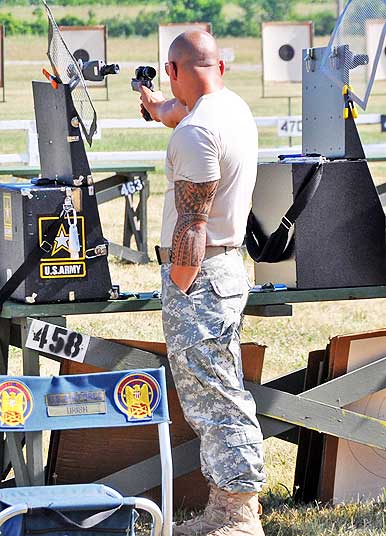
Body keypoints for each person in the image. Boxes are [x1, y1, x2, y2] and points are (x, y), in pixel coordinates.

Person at [137, 31, 265, 536]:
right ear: (220, 67)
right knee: (218, 389)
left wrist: (177, 282)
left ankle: (238, 515)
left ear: (172, 69)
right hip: (225, 267)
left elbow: (192, 224)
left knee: (216, 398)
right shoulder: (229, 107)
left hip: (200, 274)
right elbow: (179, 111)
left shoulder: (194, 135)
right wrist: (154, 106)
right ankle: (225, 507)